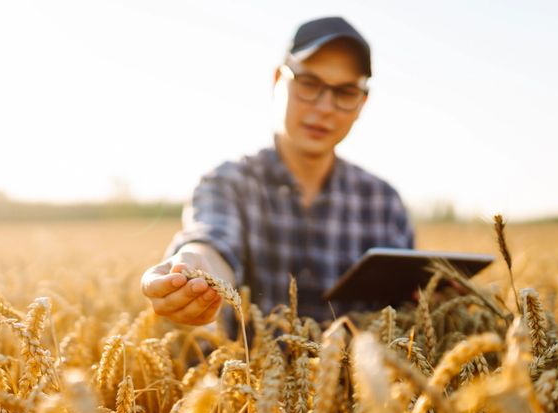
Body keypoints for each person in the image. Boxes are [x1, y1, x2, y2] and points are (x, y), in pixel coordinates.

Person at [141, 16, 414, 327]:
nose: (325, 107)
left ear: (362, 103)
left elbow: (404, 312)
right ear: (277, 80)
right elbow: (212, 243)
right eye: (309, 83)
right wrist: (196, 269)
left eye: (345, 92)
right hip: (240, 376)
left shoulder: (384, 204)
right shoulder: (229, 184)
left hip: (360, 377)